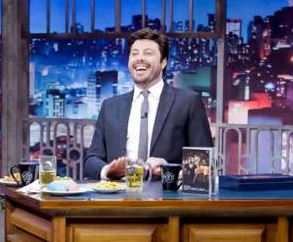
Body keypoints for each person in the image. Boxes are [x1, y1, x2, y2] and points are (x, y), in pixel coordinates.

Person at [84, 28, 213, 180]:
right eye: (134, 54)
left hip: (166, 194)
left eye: (148, 53)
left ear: (163, 62)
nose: (139, 58)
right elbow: (91, 160)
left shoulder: (188, 102)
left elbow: (204, 167)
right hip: (119, 193)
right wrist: (109, 171)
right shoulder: (110, 106)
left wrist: (168, 170)